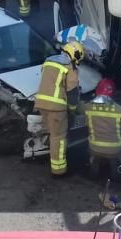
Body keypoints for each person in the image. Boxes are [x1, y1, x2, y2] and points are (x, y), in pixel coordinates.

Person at [83, 78, 121, 210]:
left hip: (94, 148)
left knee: (94, 157)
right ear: (112, 93)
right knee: (116, 160)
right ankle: (116, 178)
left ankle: (93, 174)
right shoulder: (120, 110)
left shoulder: (87, 107)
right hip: (115, 150)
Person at [34, 40, 84, 177]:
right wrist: (73, 109)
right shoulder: (69, 67)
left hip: (41, 103)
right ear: (75, 55)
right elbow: (72, 91)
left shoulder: (49, 61)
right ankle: (58, 170)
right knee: (59, 138)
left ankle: (46, 156)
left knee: (51, 133)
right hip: (56, 108)